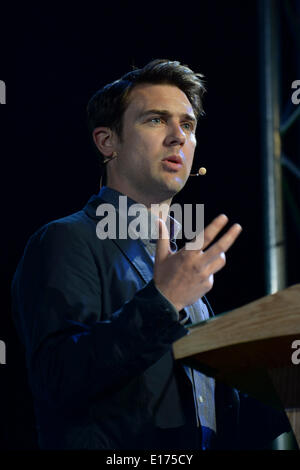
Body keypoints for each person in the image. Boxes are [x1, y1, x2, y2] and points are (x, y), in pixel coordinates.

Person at [11, 59, 291, 450]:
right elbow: (57, 379)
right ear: (107, 141)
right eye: (156, 120)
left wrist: (287, 392)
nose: (178, 137)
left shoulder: (179, 267)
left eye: (188, 125)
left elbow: (212, 428)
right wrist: (164, 300)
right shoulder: (65, 240)